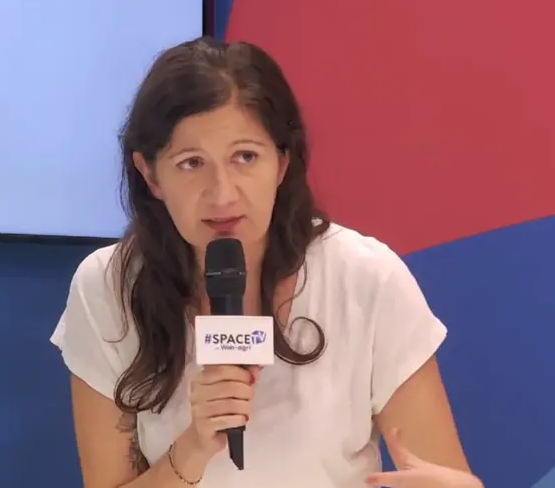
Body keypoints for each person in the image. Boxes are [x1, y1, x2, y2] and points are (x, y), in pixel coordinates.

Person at [50, 37, 484, 488]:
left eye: (245, 157)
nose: (222, 194)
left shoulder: (365, 278)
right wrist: (193, 447)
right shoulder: (110, 287)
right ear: (150, 174)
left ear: (281, 163)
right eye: (191, 163)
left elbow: (439, 477)